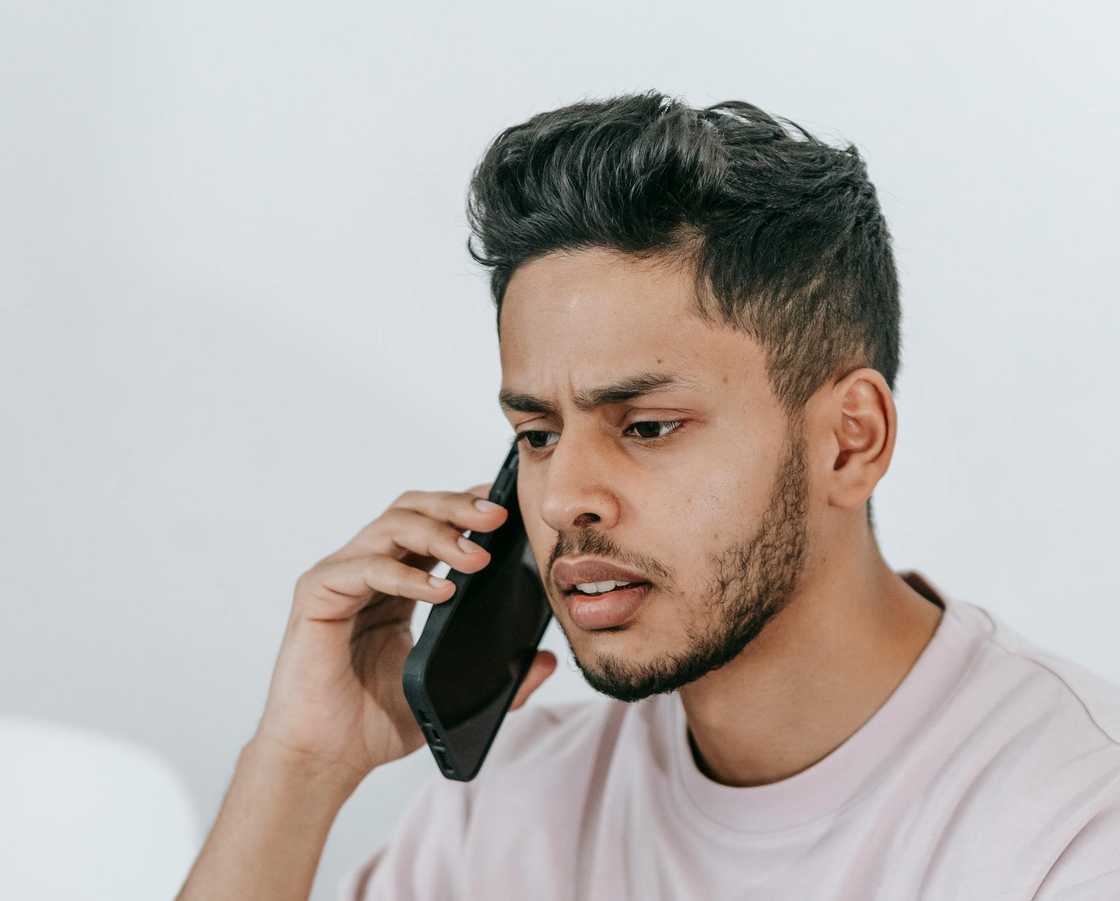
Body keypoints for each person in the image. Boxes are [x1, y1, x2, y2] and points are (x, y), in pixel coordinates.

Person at [177, 92, 1120, 901]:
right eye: (537, 435)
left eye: (648, 426)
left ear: (850, 440)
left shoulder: (1074, 829)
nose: (562, 500)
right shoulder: (513, 806)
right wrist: (299, 766)